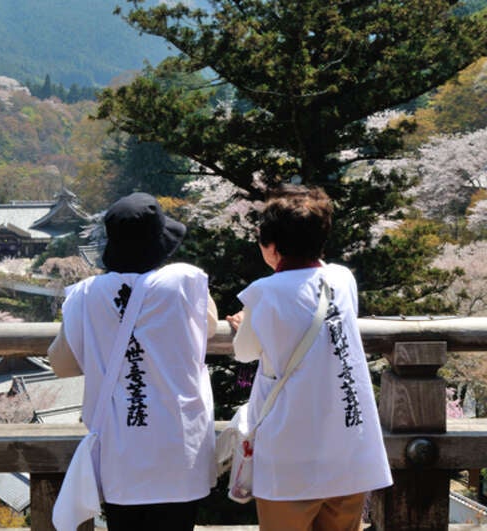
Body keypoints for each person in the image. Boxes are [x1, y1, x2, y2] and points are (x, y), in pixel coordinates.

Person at [225, 185, 392, 531]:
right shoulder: (342, 279)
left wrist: (245, 321)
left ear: (272, 247)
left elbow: (244, 351)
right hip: (348, 451)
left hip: (288, 456)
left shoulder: (264, 293)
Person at [48, 192, 218, 531]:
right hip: (179, 447)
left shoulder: (85, 295)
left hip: (120, 451)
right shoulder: (184, 282)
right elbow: (210, 327)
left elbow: (61, 364)